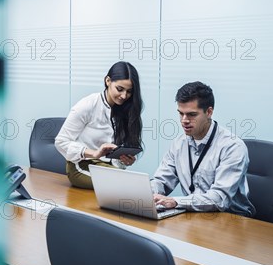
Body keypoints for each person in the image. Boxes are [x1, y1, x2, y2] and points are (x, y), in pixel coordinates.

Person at [151, 81, 255, 216]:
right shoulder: (179, 144)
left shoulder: (232, 146)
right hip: (196, 216)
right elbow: (161, 181)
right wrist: (148, 192)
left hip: (232, 220)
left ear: (209, 112)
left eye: (191, 115)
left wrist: (175, 202)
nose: (184, 120)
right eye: (180, 113)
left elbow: (218, 198)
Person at [55, 61, 143, 189]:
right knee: (123, 186)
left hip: (107, 167)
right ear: (108, 81)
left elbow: (115, 159)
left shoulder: (126, 110)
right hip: (81, 165)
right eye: (120, 89)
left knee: (134, 184)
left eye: (129, 92)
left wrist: (125, 160)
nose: (124, 96)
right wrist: (94, 153)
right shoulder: (88, 105)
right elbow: (60, 142)